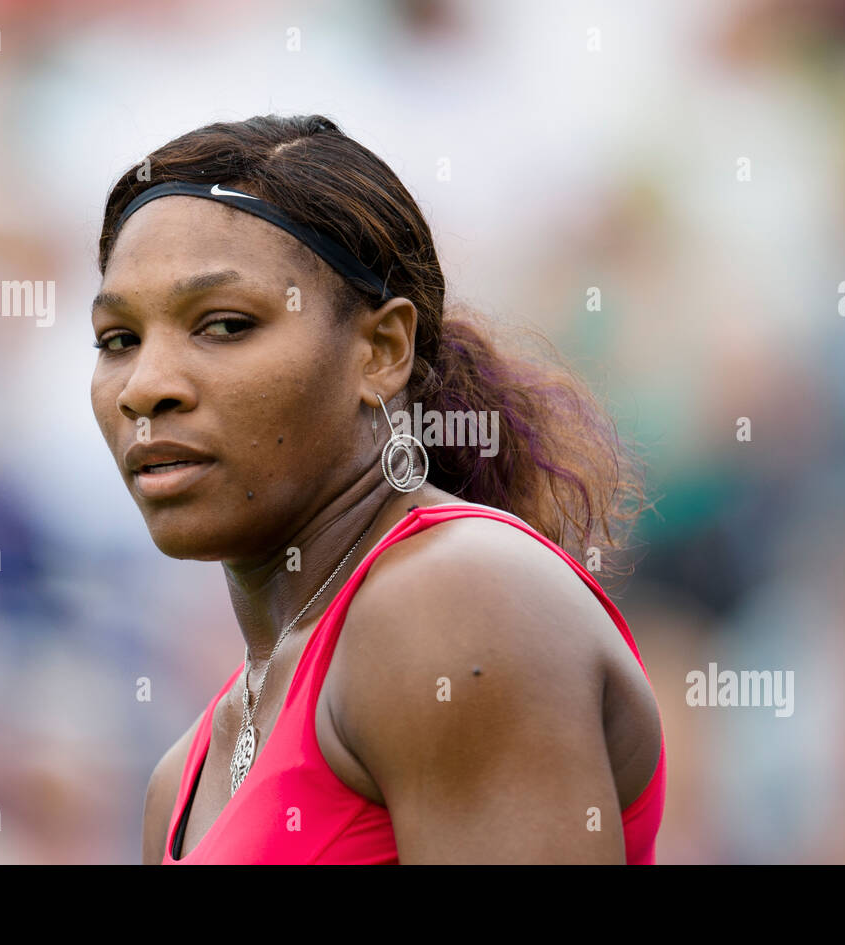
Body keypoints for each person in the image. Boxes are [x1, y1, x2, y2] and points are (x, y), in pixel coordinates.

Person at [89, 114, 665, 863]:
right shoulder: (180, 780)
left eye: (224, 324)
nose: (145, 387)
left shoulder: (452, 599)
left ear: (383, 351)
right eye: (118, 340)